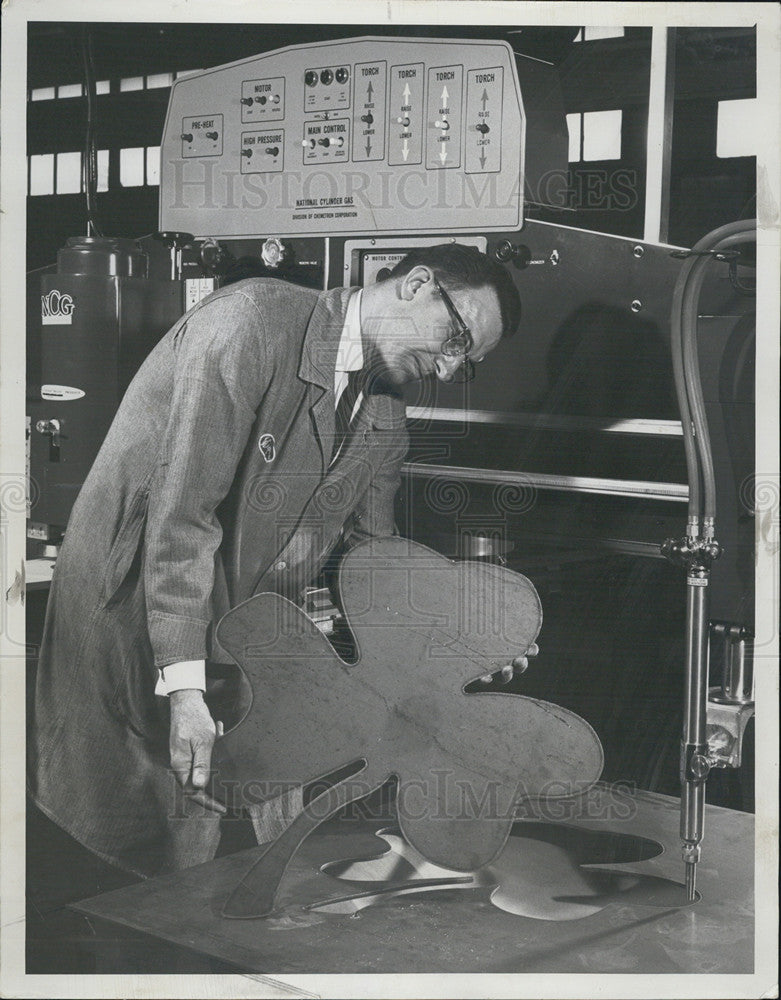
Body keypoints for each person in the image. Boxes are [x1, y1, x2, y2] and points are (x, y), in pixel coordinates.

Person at [28, 243, 523, 876]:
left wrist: (458, 637)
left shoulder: (385, 406)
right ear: (415, 283)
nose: (449, 371)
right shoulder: (249, 325)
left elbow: (370, 555)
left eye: (468, 361)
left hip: (241, 613)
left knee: (246, 830)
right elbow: (182, 517)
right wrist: (184, 690)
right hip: (140, 603)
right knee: (143, 847)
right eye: (455, 337)